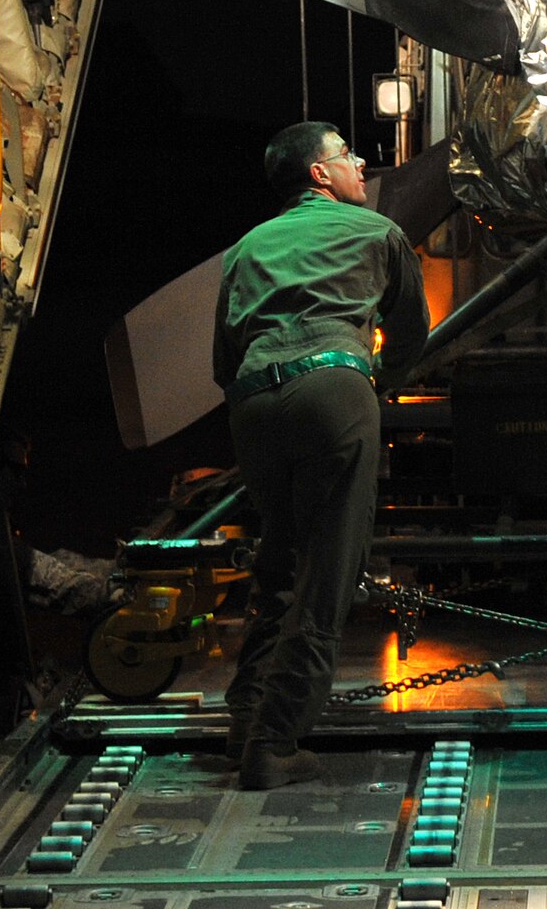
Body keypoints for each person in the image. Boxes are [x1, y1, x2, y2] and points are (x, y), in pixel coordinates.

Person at [214, 121, 429, 790]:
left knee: (279, 558)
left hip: (253, 403)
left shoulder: (244, 248)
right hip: (334, 388)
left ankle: (245, 722)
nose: (360, 164)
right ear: (317, 174)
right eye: (347, 156)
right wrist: (374, 384)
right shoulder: (376, 234)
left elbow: (224, 360)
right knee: (330, 573)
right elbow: (413, 332)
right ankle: (274, 744)